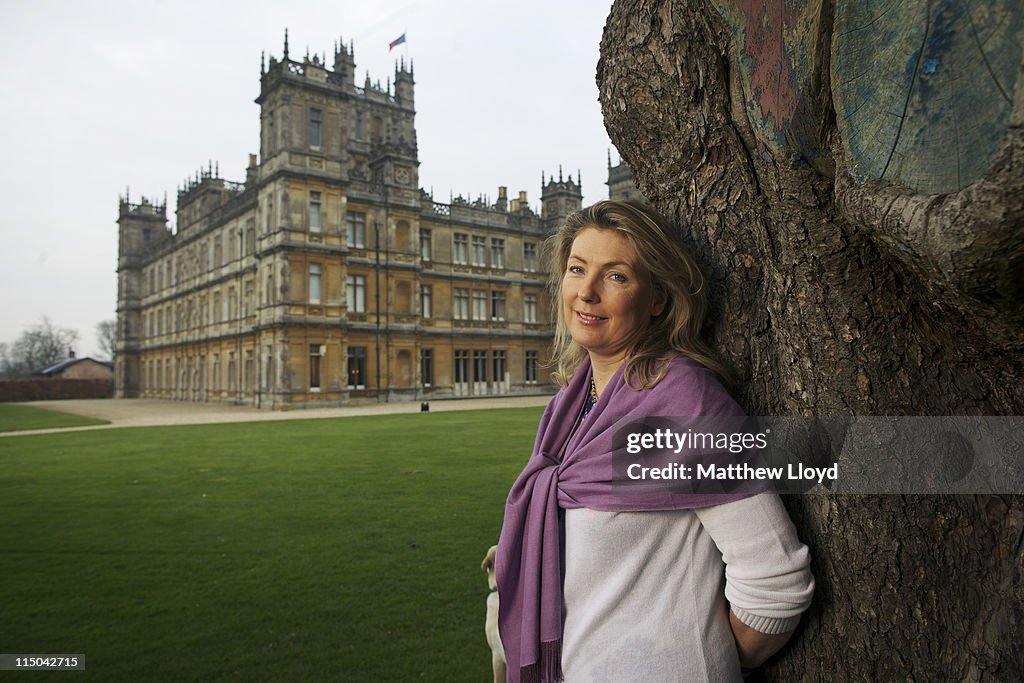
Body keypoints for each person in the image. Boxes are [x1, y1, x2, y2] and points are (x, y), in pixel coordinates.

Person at [486, 200, 814, 682]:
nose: (587, 293)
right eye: (577, 270)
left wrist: (700, 655)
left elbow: (776, 579)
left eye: (616, 276)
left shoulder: (682, 405)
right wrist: (526, 544)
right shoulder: (571, 405)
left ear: (657, 298)